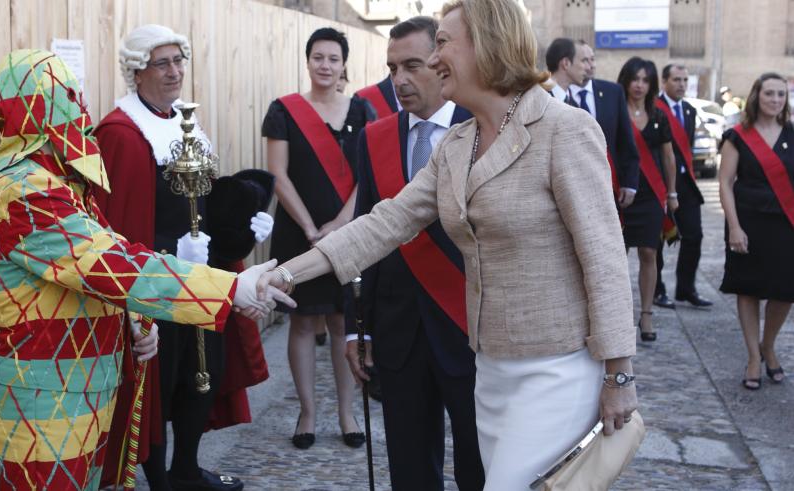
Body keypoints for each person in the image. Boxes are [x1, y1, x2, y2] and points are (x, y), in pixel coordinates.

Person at [257, 1, 638, 488]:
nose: (434, 60)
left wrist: (619, 375)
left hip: (555, 372)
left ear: (488, 44)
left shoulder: (565, 130)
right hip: (490, 370)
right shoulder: (459, 143)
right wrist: (284, 273)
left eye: (441, 44)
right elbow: (384, 223)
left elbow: (605, 261)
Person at [0, 49, 290, 490]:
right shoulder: (24, 189)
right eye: (67, 97)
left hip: (72, 402)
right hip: (40, 410)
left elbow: (85, 267)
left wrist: (133, 320)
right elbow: (109, 264)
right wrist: (231, 288)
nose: (79, 109)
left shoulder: (54, 180)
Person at [92, 24, 275, 491]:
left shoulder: (185, 123)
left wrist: (240, 234)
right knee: (157, 386)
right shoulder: (121, 133)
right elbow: (116, 224)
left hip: (197, 280)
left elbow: (204, 205)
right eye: (162, 63)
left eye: (179, 61)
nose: (175, 72)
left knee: (202, 376)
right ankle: (158, 479)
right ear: (138, 70)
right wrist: (169, 252)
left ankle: (187, 469)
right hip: (151, 285)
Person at [344, 16, 483, 490]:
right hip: (398, 324)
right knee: (409, 464)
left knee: (479, 460)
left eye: (412, 66)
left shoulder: (484, 128)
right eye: (391, 68)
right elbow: (365, 234)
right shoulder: (375, 137)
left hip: (470, 322)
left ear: (441, 62)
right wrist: (354, 328)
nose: (399, 80)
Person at [262, 27, 375, 450]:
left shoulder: (363, 111)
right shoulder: (284, 111)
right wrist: (311, 228)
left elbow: (367, 176)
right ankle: (307, 412)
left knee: (345, 323)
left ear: (344, 64)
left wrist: (341, 224)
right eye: (318, 58)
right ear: (307, 61)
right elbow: (278, 174)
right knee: (304, 321)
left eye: (333, 58)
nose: (325, 65)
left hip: (349, 230)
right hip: (298, 232)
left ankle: (347, 413)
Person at [719, 72, 794, 390]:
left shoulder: (792, 133)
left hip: (785, 223)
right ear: (756, 97)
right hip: (747, 221)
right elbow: (724, 182)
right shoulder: (738, 135)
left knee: (784, 292)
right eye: (769, 94)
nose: (775, 100)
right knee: (748, 289)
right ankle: (753, 357)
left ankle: (768, 345)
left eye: (781, 95)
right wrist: (734, 226)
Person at [617, 57, 678, 342]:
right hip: (619, 193)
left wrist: (672, 193)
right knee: (617, 255)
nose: (639, 85)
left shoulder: (658, 115)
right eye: (635, 79)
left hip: (651, 194)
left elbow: (667, 156)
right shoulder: (614, 109)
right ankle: (617, 314)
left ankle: (646, 314)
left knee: (649, 253)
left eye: (645, 80)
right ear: (626, 80)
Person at [654, 63, 714, 309]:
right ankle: (658, 290)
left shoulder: (688, 110)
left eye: (685, 80)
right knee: (657, 241)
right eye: (676, 79)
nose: (681, 84)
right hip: (659, 182)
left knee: (694, 236)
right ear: (664, 81)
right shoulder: (654, 108)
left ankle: (686, 288)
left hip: (685, 184)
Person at [571, 40, 640, 210]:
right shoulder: (554, 96)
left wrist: (629, 183)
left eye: (592, 59)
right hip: (573, 187)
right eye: (584, 60)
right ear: (567, 63)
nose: (591, 65)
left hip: (609, 184)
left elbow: (625, 141)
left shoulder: (613, 92)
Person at [544, 37, 588, 103]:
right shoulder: (538, 98)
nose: (587, 67)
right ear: (566, 63)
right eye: (583, 61)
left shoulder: (574, 105)